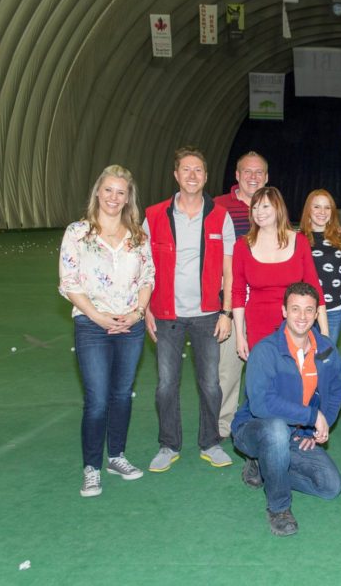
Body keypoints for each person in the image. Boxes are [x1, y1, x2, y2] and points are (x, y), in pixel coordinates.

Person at [60, 165, 154, 497]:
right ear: (98, 193)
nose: (114, 198)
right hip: (92, 326)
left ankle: (116, 456)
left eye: (121, 192)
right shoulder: (77, 233)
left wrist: (137, 313)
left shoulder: (139, 234)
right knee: (97, 400)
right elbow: (69, 283)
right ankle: (91, 468)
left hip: (131, 324)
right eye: (109, 190)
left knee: (121, 395)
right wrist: (99, 317)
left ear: (128, 198)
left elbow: (147, 278)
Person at [143, 146, 234, 472]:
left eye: (198, 170)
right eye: (186, 169)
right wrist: (146, 309)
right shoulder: (154, 215)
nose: (192, 175)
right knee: (166, 385)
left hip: (208, 315)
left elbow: (228, 269)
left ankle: (210, 443)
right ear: (176, 174)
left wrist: (226, 312)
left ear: (206, 176)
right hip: (166, 315)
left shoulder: (220, 216)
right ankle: (168, 445)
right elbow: (144, 268)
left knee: (210, 383)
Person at [231, 282, 341, 536]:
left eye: (308, 310)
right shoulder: (265, 351)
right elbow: (261, 405)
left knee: (330, 487)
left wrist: (315, 426)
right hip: (254, 428)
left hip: (296, 433)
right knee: (275, 429)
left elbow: (338, 386)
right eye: (295, 309)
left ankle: (266, 467)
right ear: (284, 311)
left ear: (317, 314)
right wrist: (311, 416)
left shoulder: (325, 348)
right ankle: (279, 508)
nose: (302, 317)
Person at [232, 186, 327, 359]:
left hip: (296, 323)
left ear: (278, 208)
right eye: (255, 207)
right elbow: (237, 293)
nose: (259, 212)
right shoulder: (241, 246)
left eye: (265, 206)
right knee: (264, 377)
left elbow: (314, 287)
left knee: (295, 377)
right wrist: (240, 335)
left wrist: (325, 334)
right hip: (258, 324)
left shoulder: (300, 241)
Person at [212, 151, 268, 440]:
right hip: (230, 301)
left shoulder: (272, 207)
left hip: (264, 303)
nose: (253, 177)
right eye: (247, 171)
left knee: (264, 367)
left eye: (259, 172)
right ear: (237, 175)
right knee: (228, 368)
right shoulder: (218, 207)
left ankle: (260, 419)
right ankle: (224, 427)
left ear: (267, 177)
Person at [299, 189, 341, 344]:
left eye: (327, 207)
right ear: (308, 210)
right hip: (304, 311)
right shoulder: (298, 239)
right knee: (302, 361)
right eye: (317, 207)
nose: (322, 212)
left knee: (326, 360)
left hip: (333, 310)